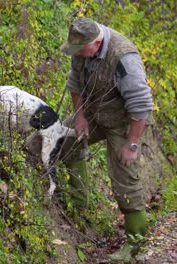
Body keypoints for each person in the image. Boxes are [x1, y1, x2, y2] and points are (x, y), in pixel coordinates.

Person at [59, 17, 154, 261]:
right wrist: (80, 118)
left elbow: (141, 104)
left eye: (81, 50)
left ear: (97, 42)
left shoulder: (124, 58)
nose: (77, 53)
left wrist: (132, 143)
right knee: (65, 139)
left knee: (126, 178)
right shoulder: (81, 47)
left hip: (125, 121)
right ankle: (79, 204)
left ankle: (135, 243)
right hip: (94, 111)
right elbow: (74, 84)